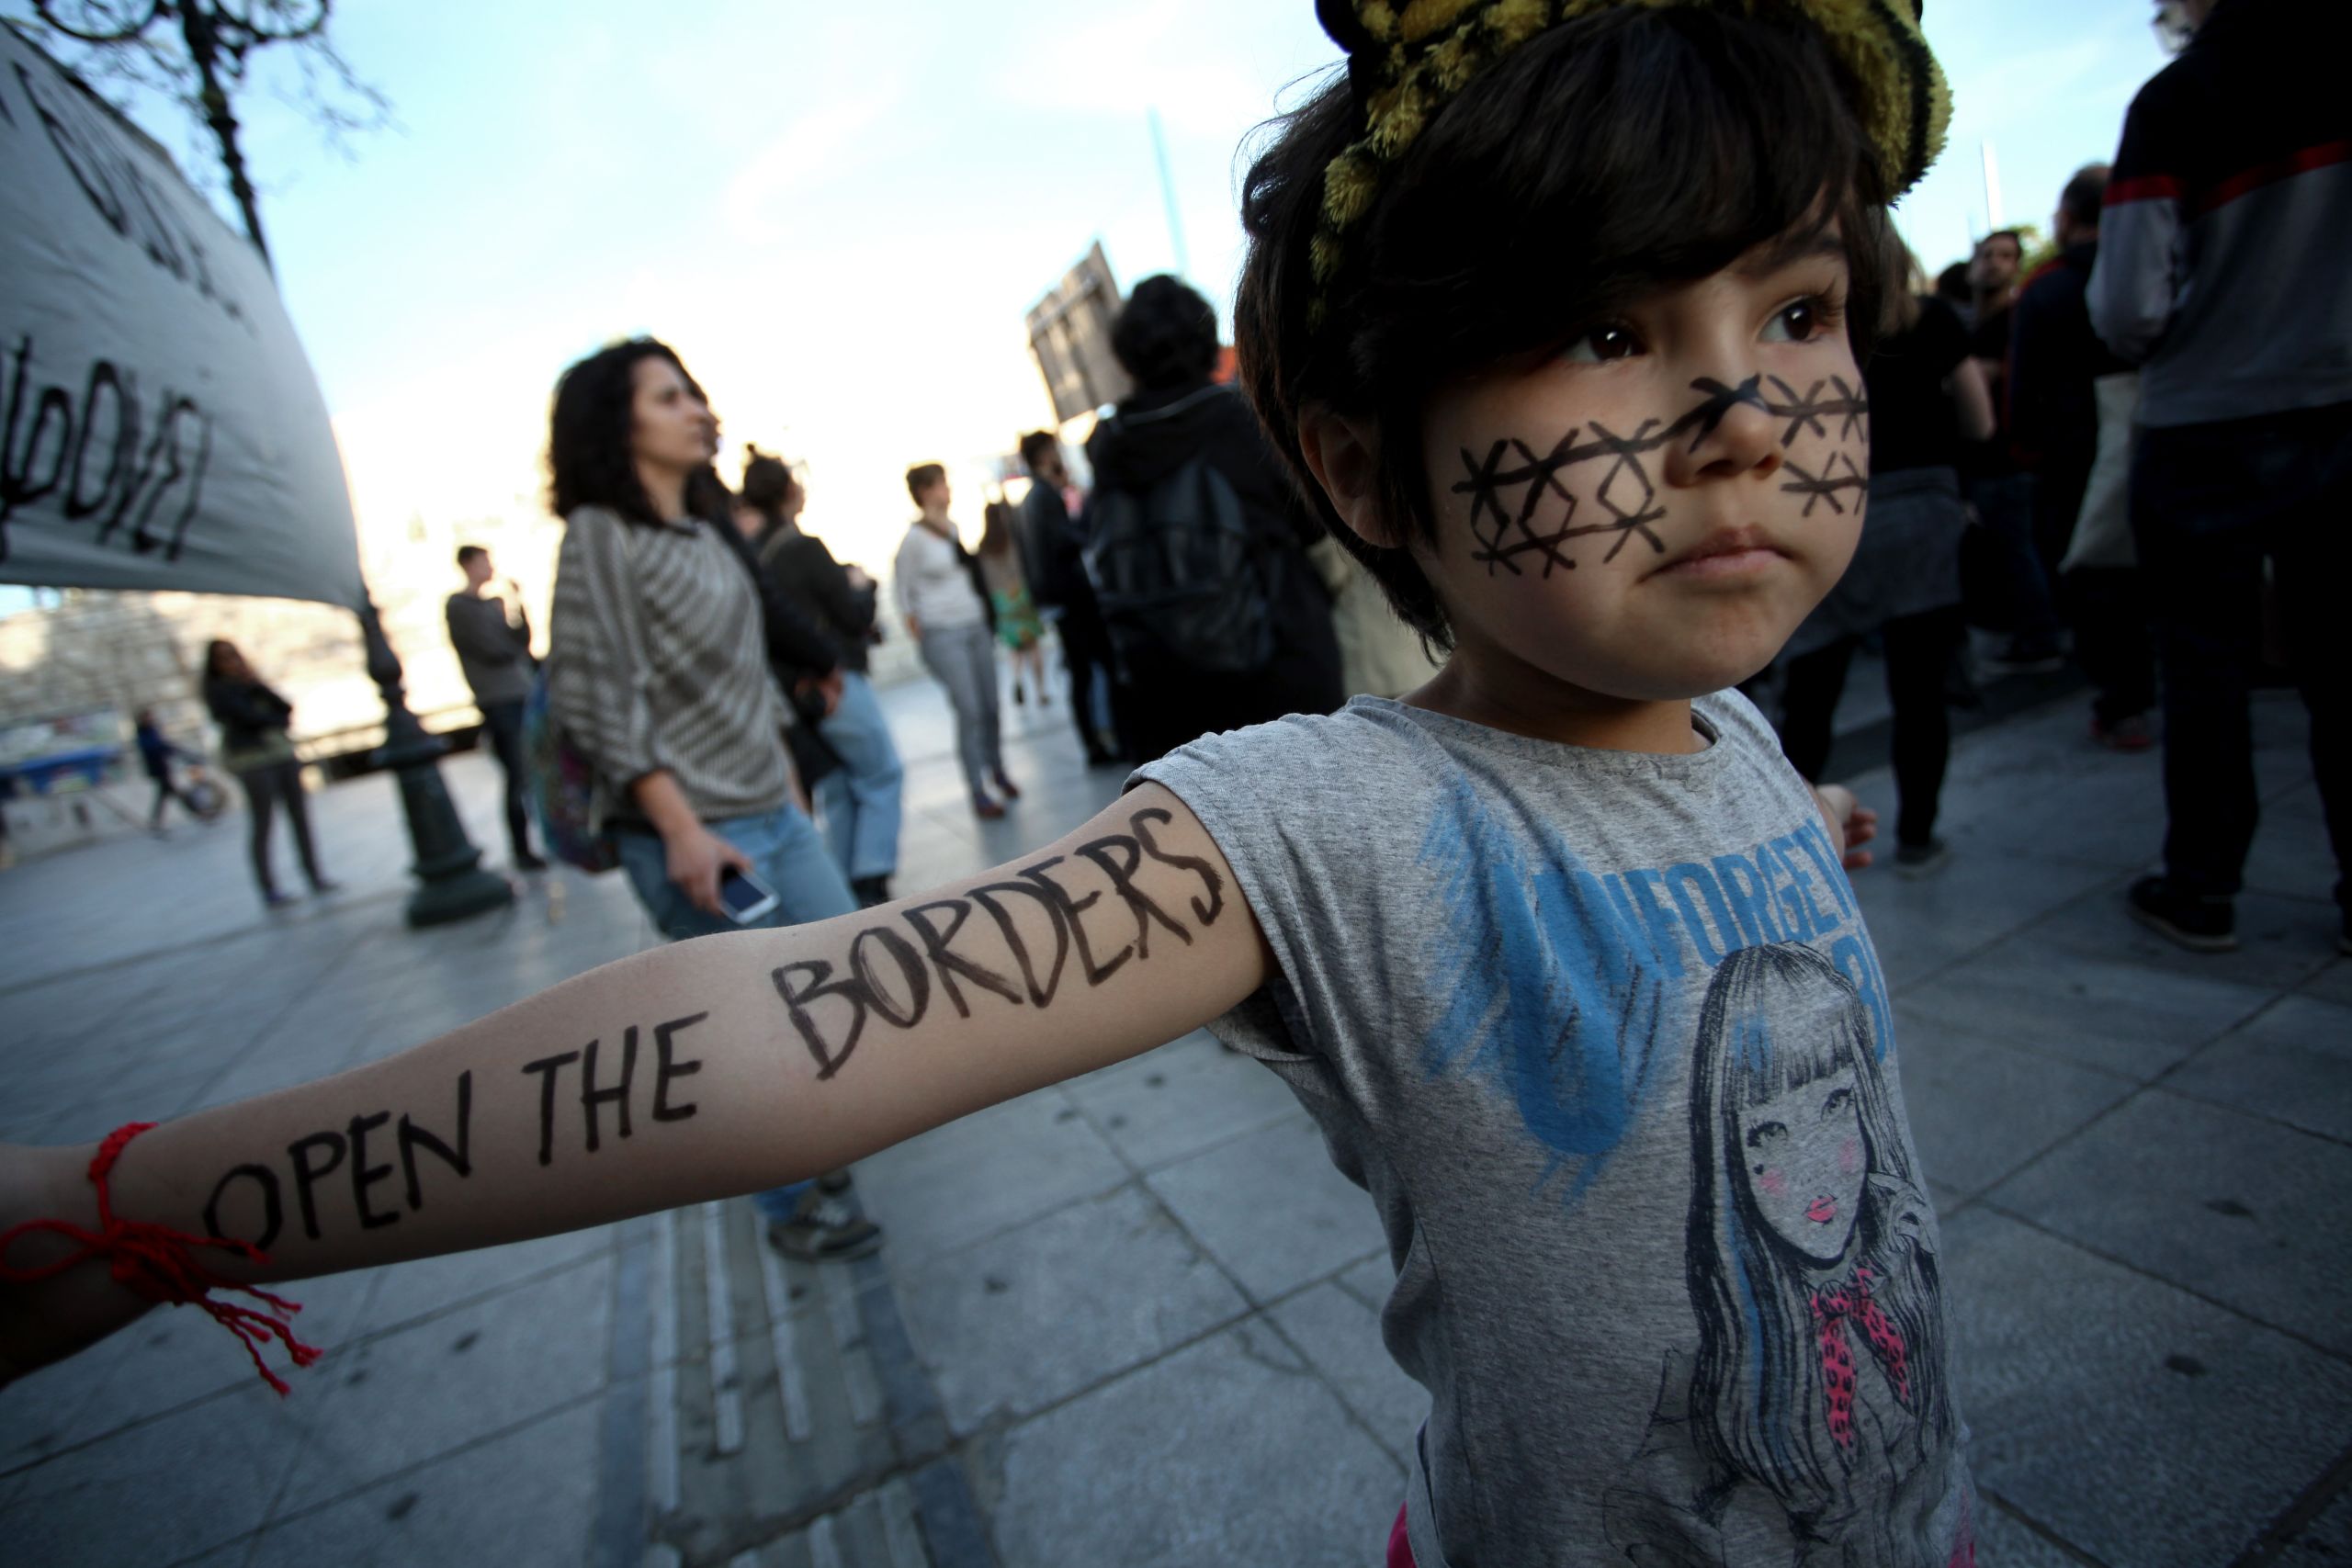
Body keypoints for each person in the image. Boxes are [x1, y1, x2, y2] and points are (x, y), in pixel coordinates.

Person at [0, 8, 1975, 1564]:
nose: (1737, 415)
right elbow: (787, 1034)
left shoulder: (1725, 728)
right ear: (1366, 468)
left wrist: (1788, 824)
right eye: (1610, 333)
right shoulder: (1342, 826)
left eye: (1793, 311)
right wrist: (140, 1208)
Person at [540, 338, 879, 1262]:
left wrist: (785, 769)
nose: (697, 408)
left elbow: (742, 668)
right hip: (696, 832)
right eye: (667, 397)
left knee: (839, 970)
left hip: (770, 805)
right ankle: (782, 1202)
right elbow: (597, 688)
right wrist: (681, 829)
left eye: (693, 392)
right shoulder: (600, 535)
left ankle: (812, 1144)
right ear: (616, 424)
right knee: (756, 1032)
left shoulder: (700, 529)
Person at [2087, 0, 2350, 956]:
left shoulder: (2178, 99)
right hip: (2340, 401)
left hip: (2207, 419)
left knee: (2203, 669)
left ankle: (2201, 888)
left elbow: (2125, 304)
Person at [1776, 236, 1993, 876]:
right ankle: (1920, 836)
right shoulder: (1937, 320)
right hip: (1924, 512)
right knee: (1921, 690)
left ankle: (1783, 839)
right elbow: (1980, 420)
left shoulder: (1811, 329)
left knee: (1813, 686)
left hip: (1837, 509)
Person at [1084, 275, 1342, 764]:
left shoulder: (1110, 443)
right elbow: (1313, 526)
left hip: (1164, 691)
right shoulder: (1239, 420)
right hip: (1274, 677)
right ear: (1205, 339)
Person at [2008, 164, 2157, 752]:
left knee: (2090, 575)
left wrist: (2026, 450)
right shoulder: (2157, 267)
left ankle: (2122, 702)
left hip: (2073, 455)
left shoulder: (2048, 287)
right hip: (2162, 440)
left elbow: (2021, 388)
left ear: (2066, 218)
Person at [736, 448, 904, 908]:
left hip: (793, 694)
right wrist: (860, 590)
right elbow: (848, 618)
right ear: (790, 491)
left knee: (845, 788)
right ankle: (870, 875)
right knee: (881, 774)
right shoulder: (802, 548)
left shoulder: (752, 556)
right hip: (831, 683)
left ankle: (850, 883)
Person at [894, 463, 1017, 818]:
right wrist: (922, 634)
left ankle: (998, 769)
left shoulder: (952, 529)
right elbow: (903, 595)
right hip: (943, 632)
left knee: (991, 705)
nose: (947, 490)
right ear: (925, 492)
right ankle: (978, 790)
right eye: (940, 485)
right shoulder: (914, 540)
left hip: (974, 624)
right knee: (970, 710)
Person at [200, 640, 337, 909]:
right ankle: (269, 888)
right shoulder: (219, 691)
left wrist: (255, 684)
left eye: (234, 655)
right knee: (263, 821)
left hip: (281, 753)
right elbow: (246, 717)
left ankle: (315, 876)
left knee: (299, 815)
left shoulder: (250, 684)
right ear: (214, 663)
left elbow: (284, 708)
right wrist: (270, 717)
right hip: (252, 760)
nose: (231, 661)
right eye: (224, 657)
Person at [1018, 430, 1123, 765]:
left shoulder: (1035, 497)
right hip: (1072, 598)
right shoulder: (1043, 496)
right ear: (1043, 454)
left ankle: (1098, 741)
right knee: (1090, 668)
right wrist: (1087, 532)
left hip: (1063, 599)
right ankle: (1099, 742)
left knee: (1083, 670)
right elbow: (1063, 540)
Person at [446, 545, 548, 871]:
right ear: (467, 565)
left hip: (520, 695)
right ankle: (522, 849)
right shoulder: (460, 607)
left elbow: (521, 642)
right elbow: (496, 649)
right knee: (517, 774)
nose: (489, 568)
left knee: (534, 771)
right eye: (483, 562)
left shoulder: (492, 605)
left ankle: (544, 839)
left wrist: (516, 605)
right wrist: (503, 621)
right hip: (499, 701)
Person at [133, 707, 206, 835]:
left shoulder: (151, 729)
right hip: (158, 768)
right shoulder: (142, 732)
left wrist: (170, 748)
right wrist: (167, 748)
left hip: (162, 766)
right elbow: (154, 746)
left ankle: (155, 823)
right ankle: (198, 813)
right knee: (174, 793)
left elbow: (161, 744)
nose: (151, 718)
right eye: (148, 716)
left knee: (164, 795)